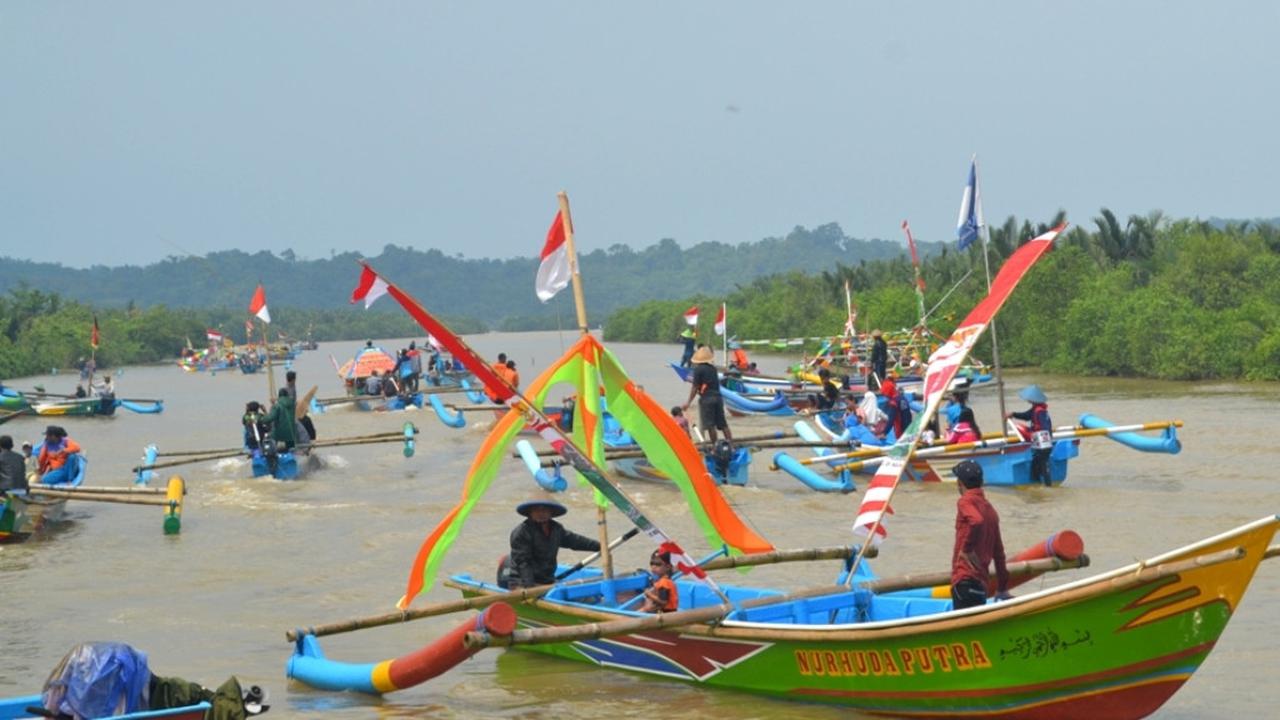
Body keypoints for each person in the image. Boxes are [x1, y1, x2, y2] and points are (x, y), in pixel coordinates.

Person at [950, 460, 1010, 610]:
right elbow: (999, 554)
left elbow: (976, 521)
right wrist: (1002, 587)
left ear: (959, 483)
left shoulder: (965, 501)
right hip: (981, 586)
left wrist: (967, 549)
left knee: (963, 630)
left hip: (964, 580)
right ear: (982, 482)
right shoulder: (991, 511)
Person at [505, 497, 601, 589]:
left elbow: (575, 541)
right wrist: (530, 587)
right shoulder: (522, 532)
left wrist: (600, 546)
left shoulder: (556, 529)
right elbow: (523, 563)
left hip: (547, 581)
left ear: (551, 512)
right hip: (522, 582)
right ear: (530, 512)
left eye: (544, 510)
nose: (541, 513)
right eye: (536, 510)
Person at [682, 346, 732, 446]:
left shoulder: (698, 370)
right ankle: (730, 445)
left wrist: (688, 402)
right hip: (718, 398)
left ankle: (715, 446)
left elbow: (695, 387)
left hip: (707, 399)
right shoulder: (713, 368)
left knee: (710, 425)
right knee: (723, 424)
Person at [1007, 385, 1054, 486]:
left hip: (1043, 443)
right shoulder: (1037, 409)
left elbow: (1045, 428)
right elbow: (1026, 416)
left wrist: (1036, 436)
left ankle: (1047, 487)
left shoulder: (1039, 411)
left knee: (1043, 466)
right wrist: (1013, 414)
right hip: (1040, 443)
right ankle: (1037, 485)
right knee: (1037, 466)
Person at [639, 549, 679, 613]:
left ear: (668, 567)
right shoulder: (666, 580)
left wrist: (649, 594)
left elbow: (663, 602)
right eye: (652, 564)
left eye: (658, 564)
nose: (653, 567)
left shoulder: (664, 582)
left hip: (667, 613)